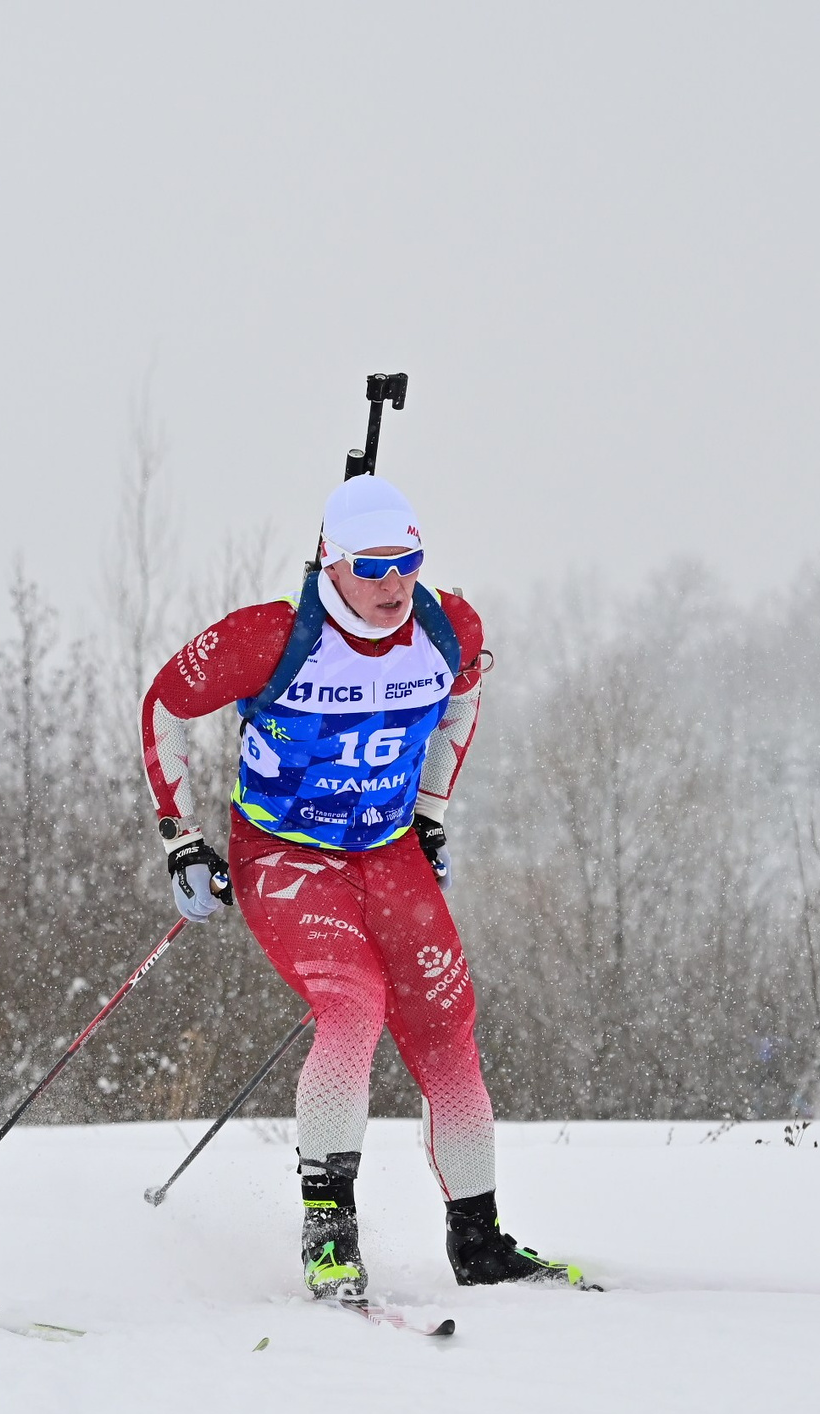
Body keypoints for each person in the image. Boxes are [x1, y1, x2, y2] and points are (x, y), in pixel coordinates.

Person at [138, 474, 582, 1300]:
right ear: (330, 563)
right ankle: (328, 1234)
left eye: (407, 563)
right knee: (353, 1004)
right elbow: (164, 703)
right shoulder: (269, 637)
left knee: (448, 1025)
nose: (393, 585)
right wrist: (183, 839)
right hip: (286, 853)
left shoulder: (446, 627)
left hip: (386, 850)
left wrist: (431, 810)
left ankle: (479, 1242)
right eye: (373, 567)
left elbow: (465, 697)